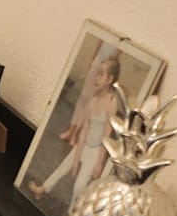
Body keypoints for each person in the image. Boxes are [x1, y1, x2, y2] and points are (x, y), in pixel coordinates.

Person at [29, 49, 121, 206]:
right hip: (84, 145)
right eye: (97, 73)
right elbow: (84, 131)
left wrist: (99, 163)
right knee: (63, 167)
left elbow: (106, 136)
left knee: (79, 186)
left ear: (109, 79)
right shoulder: (92, 101)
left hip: (95, 151)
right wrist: (76, 159)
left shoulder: (112, 102)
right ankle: (42, 189)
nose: (96, 78)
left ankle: (72, 212)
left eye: (101, 75)